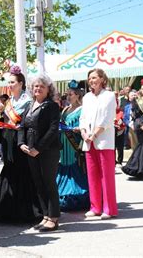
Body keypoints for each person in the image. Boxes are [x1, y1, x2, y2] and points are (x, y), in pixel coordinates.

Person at [0, 65, 42, 223]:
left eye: (13, 82)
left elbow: (30, 123)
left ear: (21, 83)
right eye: (9, 82)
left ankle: (26, 211)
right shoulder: (9, 102)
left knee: (23, 173)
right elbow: (6, 121)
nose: (10, 85)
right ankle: (6, 209)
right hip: (8, 140)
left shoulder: (28, 101)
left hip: (22, 141)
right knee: (9, 170)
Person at [18, 74, 61, 231]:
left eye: (42, 86)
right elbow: (22, 126)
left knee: (49, 183)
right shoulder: (29, 105)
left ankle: (54, 217)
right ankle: (46, 215)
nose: (38, 88)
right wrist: (21, 143)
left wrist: (39, 148)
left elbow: (53, 130)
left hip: (47, 150)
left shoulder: (52, 106)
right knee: (38, 183)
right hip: (30, 150)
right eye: (36, 86)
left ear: (48, 89)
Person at [80, 68, 118, 219]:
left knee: (106, 175)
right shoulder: (87, 97)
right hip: (88, 141)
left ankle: (109, 208)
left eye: (95, 78)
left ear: (102, 79)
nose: (92, 81)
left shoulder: (109, 96)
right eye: (90, 78)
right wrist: (84, 132)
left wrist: (94, 134)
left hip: (103, 140)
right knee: (92, 175)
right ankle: (95, 206)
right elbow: (83, 118)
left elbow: (108, 119)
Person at [56, 80, 90, 212]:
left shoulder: (82, 109)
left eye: (71, 94)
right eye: (67, 94)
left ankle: (77, 193)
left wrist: (78, 128)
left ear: (77, 95)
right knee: (63, 164)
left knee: (74, 165)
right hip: (64, 141)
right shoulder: (65, 109)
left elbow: (86, 124)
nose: (68, 97)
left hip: (74, 142)